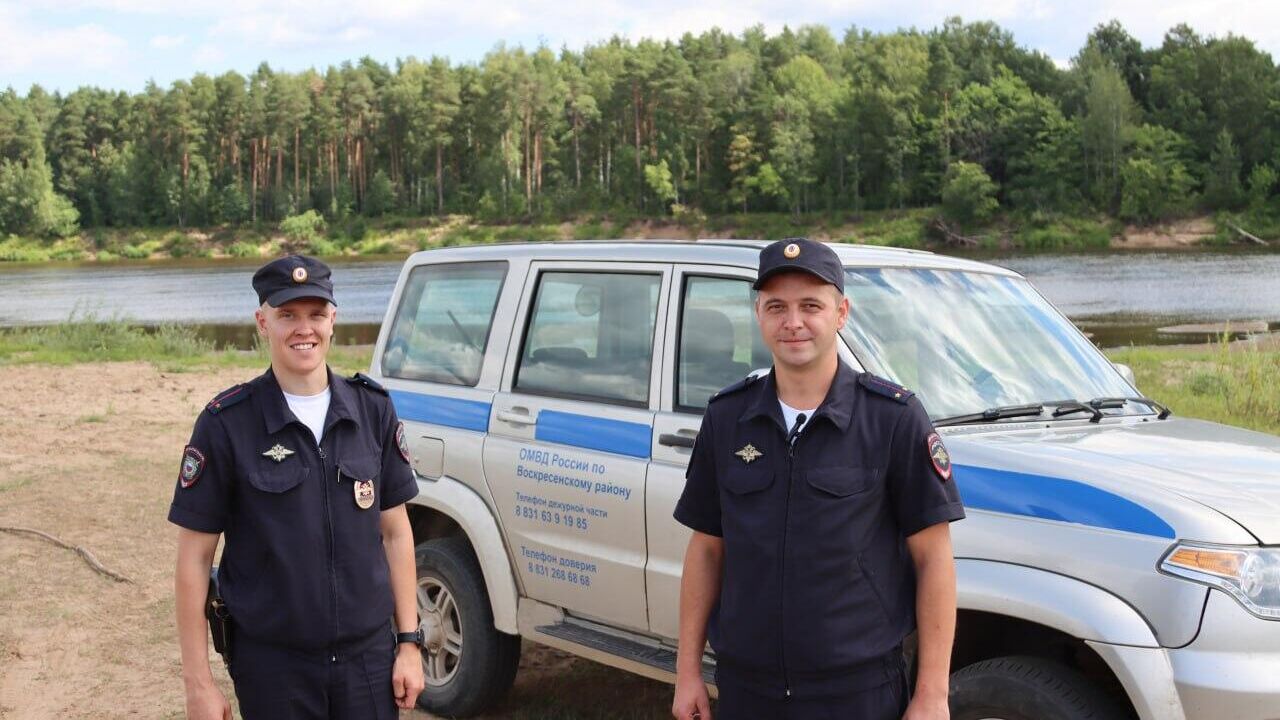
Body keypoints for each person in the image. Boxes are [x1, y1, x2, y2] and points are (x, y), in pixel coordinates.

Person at [670, 238, 965, 720]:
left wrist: (932, 693)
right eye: (777, 307)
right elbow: (706, 548)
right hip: (748, 690)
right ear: (759, 313)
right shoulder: (727, 417)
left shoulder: (893, 419)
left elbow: (934, 559)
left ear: (842, 312)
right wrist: (687, 672)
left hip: (859, 692)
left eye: (811, 305)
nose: (793, 322)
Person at [170, 255, 426, 719]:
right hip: (274, 667)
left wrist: (408, 642)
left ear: (333, 320)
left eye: (314, 314)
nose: (302, 328)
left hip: (368, 661)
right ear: (261, 321)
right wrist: (198, 684)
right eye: (287, 314)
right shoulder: (227, 424)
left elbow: (396, 533)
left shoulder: (372, 411)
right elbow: (194, 558)